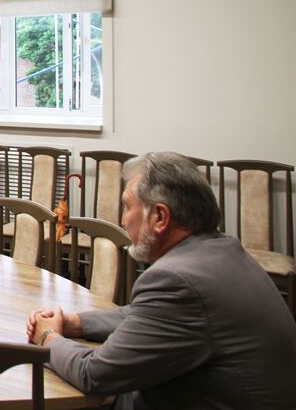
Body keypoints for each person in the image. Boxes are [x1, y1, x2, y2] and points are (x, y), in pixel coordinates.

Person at [26, 151, 296, 409]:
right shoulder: (222, 251)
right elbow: (144, 315)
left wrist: (48, 337)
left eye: (127, 206)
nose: (123, 220)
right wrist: (75, 323)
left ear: (159, 217)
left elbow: (94, 374)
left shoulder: (177, 280)